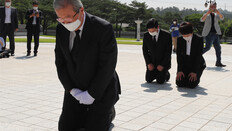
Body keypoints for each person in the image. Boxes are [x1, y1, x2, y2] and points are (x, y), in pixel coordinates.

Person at [53, 0, 121, 130]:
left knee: (94, 126)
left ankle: (109, 112)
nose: (65, 23)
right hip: (75, 88)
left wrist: (92, 94)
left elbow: (107, 66)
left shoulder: (103, 28)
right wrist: (71, 89)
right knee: (65, 127)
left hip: (101, 87)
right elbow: (60, 62)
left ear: (81, 11)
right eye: (60, 19)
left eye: (68, 18)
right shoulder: (61, 28)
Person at [176, 22, 206, 88]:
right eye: (183, 35)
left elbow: (198, 56)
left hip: (196, 63)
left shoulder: (199, 39)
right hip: (185, 63)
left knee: (191, 84)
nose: (185, 37)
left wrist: (194, 71)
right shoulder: (180, 39)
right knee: (180, 83)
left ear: (191, 32)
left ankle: (197, 75)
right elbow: (179, 56)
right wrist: (179, 70)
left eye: (187, 35)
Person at [142, 18, 172, 84]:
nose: (151, 33)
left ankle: (166, 72)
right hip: (152, 62)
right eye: (150, 31)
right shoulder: (146, 35)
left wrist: (162, 65)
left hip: (162, 62)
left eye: (153, 31)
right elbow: (145, 50)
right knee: (148, 80)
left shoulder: (167, 35)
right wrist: (148, 63)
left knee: (160, 81)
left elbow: (168, 52)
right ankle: (156, 73)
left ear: (157, 27)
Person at [201, 1, 226, 67]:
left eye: (214, 7)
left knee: (218, 49)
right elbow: (202, 20)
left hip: (216, 34)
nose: (213, 8)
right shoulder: (206, 14)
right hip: (208, 34)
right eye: (212, 7)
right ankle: (196, 56)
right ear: (209, 7)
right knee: (207, 48)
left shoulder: (216, 15)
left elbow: (222, 18)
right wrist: (207, 13)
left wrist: (218, 12)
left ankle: (218, 62)